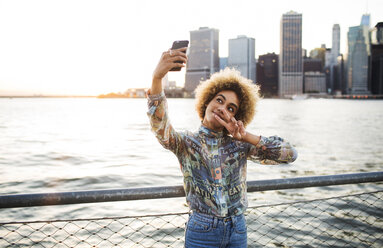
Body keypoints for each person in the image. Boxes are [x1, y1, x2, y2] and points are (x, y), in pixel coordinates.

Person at [147, 47, 297, 248]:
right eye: (219, 100)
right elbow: (160, 127)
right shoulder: (186, 142)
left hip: (238, 228)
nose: (222, 108)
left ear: (236, 116)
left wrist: (246, 136)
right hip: (202, 230)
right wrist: (157, 78)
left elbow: (289, 154)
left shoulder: (241, 145)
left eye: (230, 108)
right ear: (207, 101)